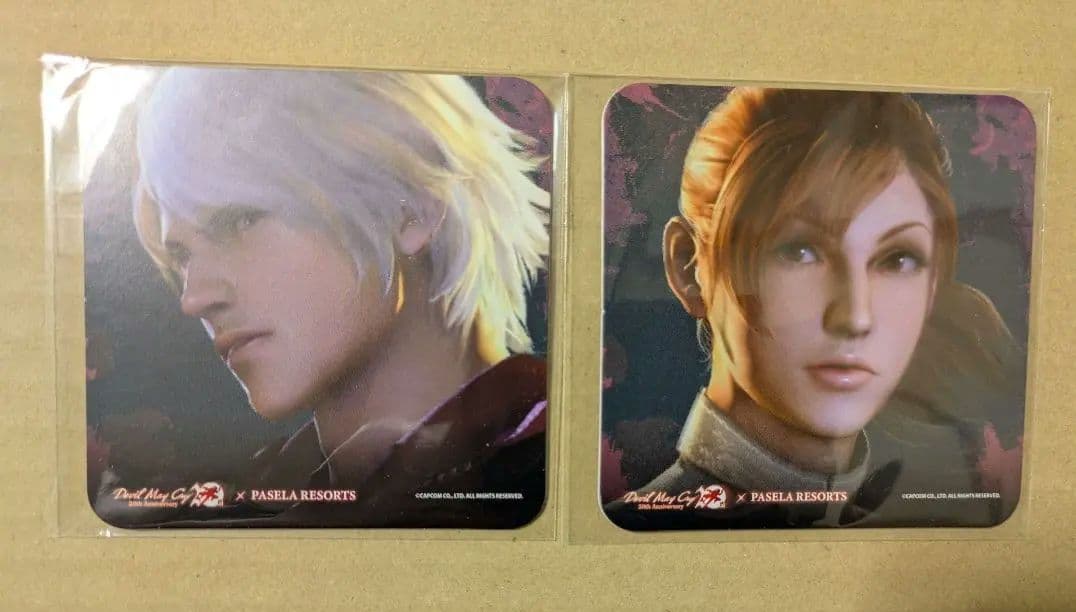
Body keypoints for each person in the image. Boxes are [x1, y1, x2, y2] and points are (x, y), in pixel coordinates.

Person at [113, 67, 550, 528]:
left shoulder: (564, 466)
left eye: (241, 221)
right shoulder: (255, 497)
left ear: (411, 211)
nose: (194, 298)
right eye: (182, 256)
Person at [605, 88, 1023, 530]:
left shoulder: (963, 519)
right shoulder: (627, 541)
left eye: (898, 259)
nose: (856, 317)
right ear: (689, 267)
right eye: (799, 250)